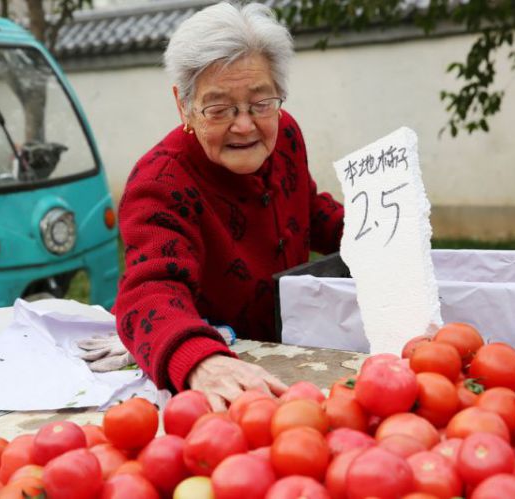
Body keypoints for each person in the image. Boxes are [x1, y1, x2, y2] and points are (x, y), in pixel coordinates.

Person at [113, 1, 344, 410]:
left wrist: (382, 227)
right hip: (227, 375)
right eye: (219, 108)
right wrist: (199, 360)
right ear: (184, 106)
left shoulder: (285, 134)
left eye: (261, 103)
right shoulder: (161, 181)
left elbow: (308, 208)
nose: (244, 125)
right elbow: (149, 290)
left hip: (298, 354)